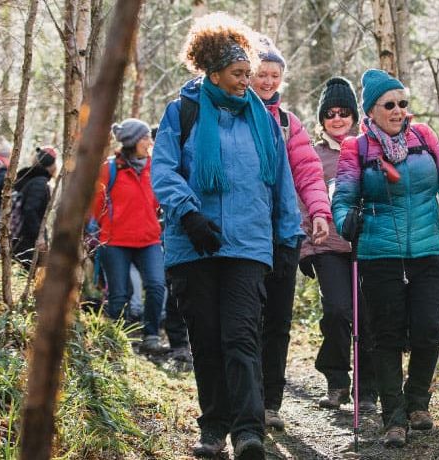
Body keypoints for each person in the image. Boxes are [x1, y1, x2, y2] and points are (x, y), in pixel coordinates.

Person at [150, 12, 303, 460]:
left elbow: (280, 183)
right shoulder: (183, 111)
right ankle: (213, 427)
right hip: (192, 245)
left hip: (248, 246)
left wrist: (286, 237)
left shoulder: (263, 120)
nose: (245, 82)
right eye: (238, 74)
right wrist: (189, 215)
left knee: (242, 337)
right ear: (212, 71)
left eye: (248, 73)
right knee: (207, 339)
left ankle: (248, 431)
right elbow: (163, 170)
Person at [331, 69, 439, 448]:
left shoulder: (425, 137)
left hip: (428, 250)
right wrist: (344, 221)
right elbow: (343, 198)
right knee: (385, 335)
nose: (399, 110)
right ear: (372, 110)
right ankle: (393, 417)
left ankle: (418, 401)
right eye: (390, 104)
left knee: (428, 328)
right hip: (378, 253)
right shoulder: (357, 148)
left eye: (403, 103)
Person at [249, 38, 331, 430]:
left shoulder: (287, 122)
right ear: (247, 75)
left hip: (284, 235)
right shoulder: (234, 116)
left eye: (274, 75)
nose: (267, 81)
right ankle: (245, 400)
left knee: (278, 321)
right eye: (261, 74)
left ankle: (270, 404)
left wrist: (318, 211)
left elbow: (309, 173)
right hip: (243, 236)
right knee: (246, 321)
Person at [298, 76, 379, 412]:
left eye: (343, 112)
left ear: (353, 115)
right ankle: (336, 381)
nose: (337, 118)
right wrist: (304, 247)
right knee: (336, 311)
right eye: (330, 113)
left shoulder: (369, 149)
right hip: (327, 244)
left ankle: (367, 390)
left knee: (368, 317)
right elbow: (302, 199)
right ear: (322, 119)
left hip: (368, 247)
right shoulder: (312, 155)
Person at [90, 119, 167, 354]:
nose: (149, 142)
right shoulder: (109, 169)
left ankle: (151, 335)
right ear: (133, 141)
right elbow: (96, 205)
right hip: (115, 242)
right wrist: (107, 227)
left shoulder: (155, 167)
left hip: (149, 240)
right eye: (145, 138)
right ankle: (115, 340)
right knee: (119, 293)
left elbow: (160, 201)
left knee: (156, 286)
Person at [12, 146, 57, 269]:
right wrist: (40, 236)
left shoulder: (24, 179)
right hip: (28, 242)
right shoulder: (39, 183)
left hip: (17, 238)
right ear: (52, 165)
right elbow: (30, 210)